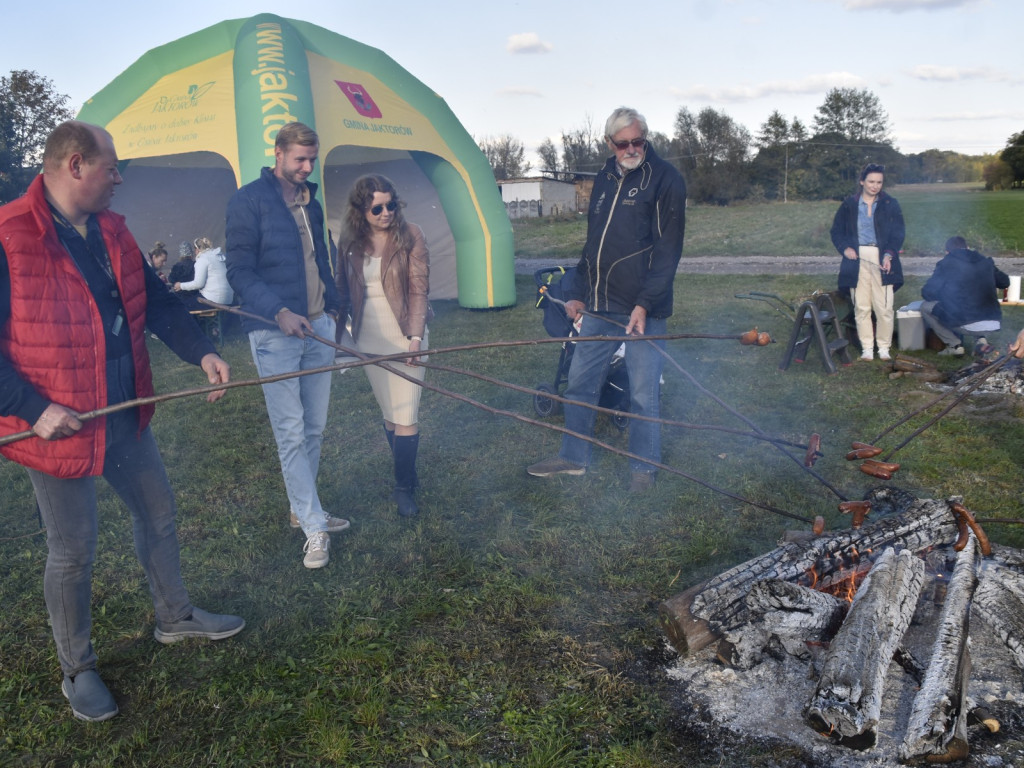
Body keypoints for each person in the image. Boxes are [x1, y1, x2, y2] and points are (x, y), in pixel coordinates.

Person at [0, 121, 244, 723]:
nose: (119, 178)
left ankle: (174, 616)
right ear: (76, 165)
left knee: (159, 514)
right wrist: (36, 409)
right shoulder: (9, 233)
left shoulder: (113, 229)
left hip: (124, 409)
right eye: (112, 167)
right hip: (58, 425)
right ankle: (77, 668)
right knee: (73, 550)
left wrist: (202, 351)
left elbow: (156, 303)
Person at [526, 107, 686, 492]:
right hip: (599, 304)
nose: (632, 149)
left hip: (643, 308)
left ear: (645, 138)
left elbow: (668, 252)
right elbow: (592, 242)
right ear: (609, 144)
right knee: (580, 382)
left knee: (644, 393)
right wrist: (578, 293)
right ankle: (573, 458)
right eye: (623, 143)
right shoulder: (603, 178)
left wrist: (645, 303)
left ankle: (643, 469)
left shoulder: (666, 179)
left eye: (638, 141)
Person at [225, 121, 348, 569]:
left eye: (311, 160)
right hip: (274, 334)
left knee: (314, 428)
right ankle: (314, 527)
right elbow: (238, 271)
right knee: (292, 432)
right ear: (277, 153)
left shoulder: (309, 202)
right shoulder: (248, 201)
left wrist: (333, 309)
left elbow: (322, 259)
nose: (306, 168)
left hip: (318, 328)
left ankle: (304, 508)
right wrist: (277, 311)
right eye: (299, 159)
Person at [336, 175, 430, 517]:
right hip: (367, 338)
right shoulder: (348, 240)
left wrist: (416, 338)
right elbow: (342, 291)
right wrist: (340, 340)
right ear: (361, 210)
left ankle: (403, 487)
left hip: (406, 334)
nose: (387, 212)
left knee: (406, 413)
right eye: (378, 208)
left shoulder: (411, 235)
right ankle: (408, 473)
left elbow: (419, 289)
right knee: (390, 415)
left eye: (392, 204)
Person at [831, 163, 906, 361]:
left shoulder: (891, 204)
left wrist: (889, 255)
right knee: (862, 307)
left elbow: (899, 233)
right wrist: (845, 248)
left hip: (882, 258)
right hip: (857, 260)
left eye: (879, 182)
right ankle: (866, 348)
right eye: (871, 181)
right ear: (862, 181)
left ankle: (883, 348)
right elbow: (836, 232)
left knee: (884, 307)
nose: (875, 186)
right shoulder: (849, 205)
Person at [920, 236, 1009, 357]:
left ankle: (954, 345)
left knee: (925, 307)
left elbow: (928, 292)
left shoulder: (946, 263)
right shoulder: (985, 261)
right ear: (967, 247)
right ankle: (981, 341)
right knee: (975, 300)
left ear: (947, 252)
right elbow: (1005, 282)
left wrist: (944, 294)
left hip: (967, 323)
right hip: (993, 322)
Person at [173, 236, 234, 308]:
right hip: (229, 299)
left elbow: (199, 284)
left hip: (213, 300)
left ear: (197, 250)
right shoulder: (220, 256)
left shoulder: (202, 259)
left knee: (181, 305)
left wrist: (181, 286)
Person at [169, 240, 199, 307]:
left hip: (180, 298)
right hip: (195, 297)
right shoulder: (196, 265)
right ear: (191, 253)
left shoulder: (176, 266)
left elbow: (171, 279)